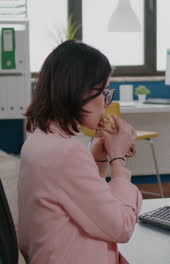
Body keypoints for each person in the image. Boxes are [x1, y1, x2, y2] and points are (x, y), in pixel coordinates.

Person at [17, 40, 142, 263]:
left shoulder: (38, 141)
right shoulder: (66, 153)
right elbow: (121, 227)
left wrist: (99, 157)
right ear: (78, 92)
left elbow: (83, 202)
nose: (106, 104)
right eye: (104, 92)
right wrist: (118, 161)